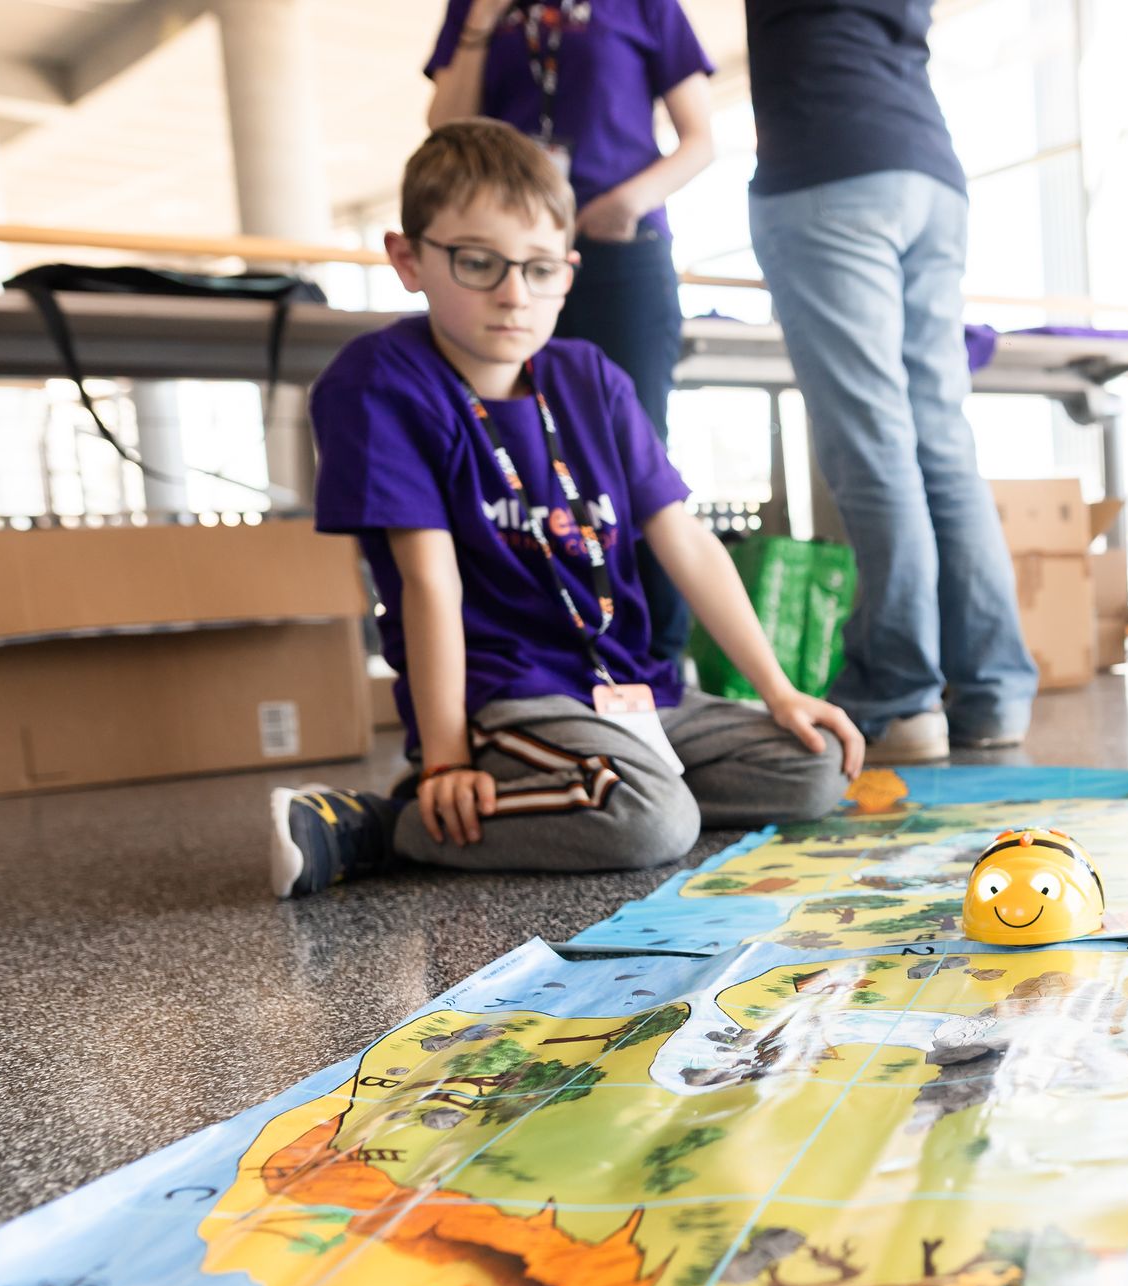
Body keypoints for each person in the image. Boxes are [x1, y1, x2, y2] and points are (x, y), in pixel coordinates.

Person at [270, 121, 860, 900]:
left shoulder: (591, 378)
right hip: (507, 697)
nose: (515, 294)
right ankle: (393, 823)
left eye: (540, 268)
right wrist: (444, 757)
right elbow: (428, 584)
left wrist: (779, 693)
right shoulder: (380, 382)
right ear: (409, 260)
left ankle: (593, 793)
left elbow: (685, 541)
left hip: (630, 693)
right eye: (477, 262)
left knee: (815, 765)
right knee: (649, 822)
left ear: (568, 271)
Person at [743, 0, 1038, 765]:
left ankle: (899, 696)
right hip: (926, 166)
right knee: (940, 439)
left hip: (827, 159)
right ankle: (993, 692)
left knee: (874, 442)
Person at [426, 0, 716, 663]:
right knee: (509, 441)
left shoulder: (645, 6)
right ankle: (541, 642)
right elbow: (446, 129)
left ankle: (657, 653)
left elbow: (701, 138)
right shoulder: (475, 9)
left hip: (617, 249)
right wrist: (480, 21)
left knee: (635, 447)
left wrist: (625, 204)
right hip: (512, 254)